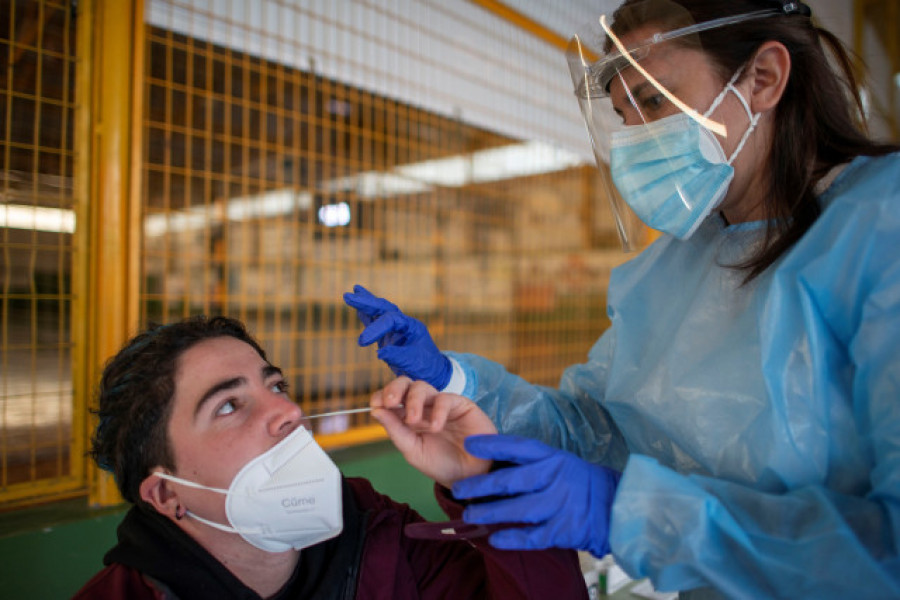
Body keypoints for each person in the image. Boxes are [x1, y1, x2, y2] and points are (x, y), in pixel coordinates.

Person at [344, 1, 900, 598]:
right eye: (624, 113)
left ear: (762, 78)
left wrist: (626, 512)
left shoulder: (881, 228)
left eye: (655, 99)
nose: (639, 136)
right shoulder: (671, 269)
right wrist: (455, 382)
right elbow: (598, 429)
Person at [72, 316, 588, 599]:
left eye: (276, 384)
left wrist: (482, 479)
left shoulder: (384, 541)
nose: (289, 411)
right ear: (167, 494)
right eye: (229, 405)